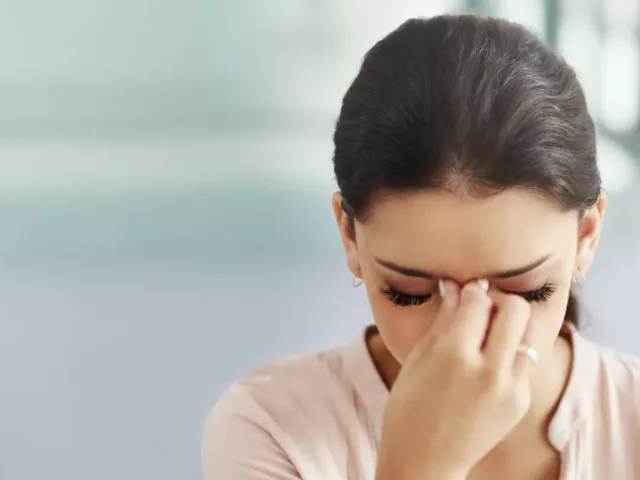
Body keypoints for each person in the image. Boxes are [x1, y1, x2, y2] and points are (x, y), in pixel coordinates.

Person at [202, 14, 640, 479]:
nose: (464, 331)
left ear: (586, 236)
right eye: (411, 292)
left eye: (526, 291)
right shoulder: (270, 428)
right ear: (349, 235)